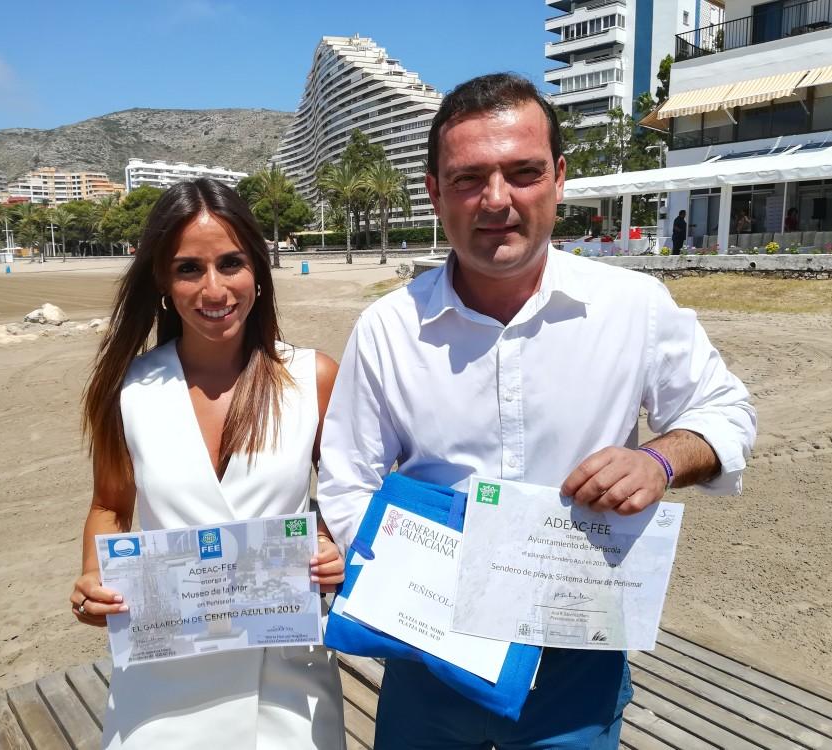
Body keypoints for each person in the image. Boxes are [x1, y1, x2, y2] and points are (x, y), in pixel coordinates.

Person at [318, 73, 756, 749]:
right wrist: (405, 586)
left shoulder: (631, 306)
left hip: (576, 655)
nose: (497, 200)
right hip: (428, 654)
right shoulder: (388, 328)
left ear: (558, 177)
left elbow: (725, 411)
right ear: (435, 191)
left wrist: (659, 460)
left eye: (522, 172)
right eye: (468, 179)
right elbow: (347, 481)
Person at [72, 179, 347, 749]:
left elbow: (351, 497)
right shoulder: (127, 388)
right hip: (162, 672)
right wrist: (95, 582)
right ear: (162, 282)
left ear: (258, 270)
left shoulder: (311, 378)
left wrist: (334, 545)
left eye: (231, 263)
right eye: (189, 269)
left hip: (288, 675)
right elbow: (109, 504)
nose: (214, 288)